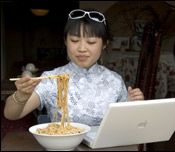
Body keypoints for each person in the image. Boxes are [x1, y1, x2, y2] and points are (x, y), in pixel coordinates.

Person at [4, 9, 144, 126]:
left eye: (91, 42)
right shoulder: (51, 79)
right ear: (65, 41)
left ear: (104, 44)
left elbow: (125, 125)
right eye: (74, 40)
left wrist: (131, 105)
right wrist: (21, 95)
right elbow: (11, 115)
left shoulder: (115, 81)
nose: (82, 48)